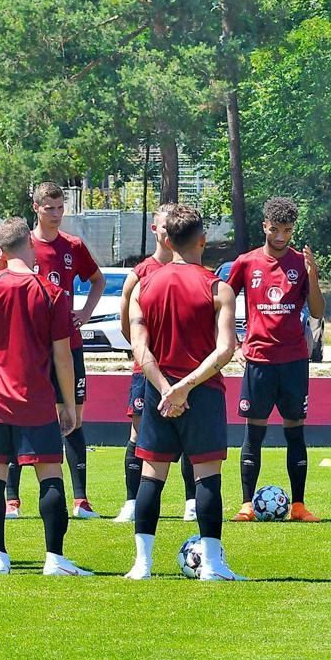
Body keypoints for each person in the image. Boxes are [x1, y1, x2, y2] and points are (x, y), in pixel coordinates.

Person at [124, 204, 243, 580]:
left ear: (166, 238)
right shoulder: (217, 286)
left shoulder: (145, 284)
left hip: (159, 393)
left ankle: (142, 564)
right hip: (202, 392)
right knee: (207, 478)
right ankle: (213, 565)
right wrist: (184, 387)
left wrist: (164, 388)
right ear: (202, 240)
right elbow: (225, 349)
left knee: (151, 477)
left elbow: (139, 347)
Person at [0, 217, 85, 575]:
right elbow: (62, 356)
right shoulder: (50, 293)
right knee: (50, 474)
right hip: (35, 398)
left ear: (0, 252)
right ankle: (54, 558)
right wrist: (68, 404)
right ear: (31, 247)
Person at [6, 182, 106, 519]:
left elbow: (97, 280)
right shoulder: (22, 245)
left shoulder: (73, 246)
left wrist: (85, 312)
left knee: (73, 418)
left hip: (69, 345)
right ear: (35, 208)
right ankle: (11, 498)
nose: (56, 214)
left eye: (60, 207)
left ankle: (80, 499)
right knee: (18, 418)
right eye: (49, 208)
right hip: (31, 350)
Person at [229, 197, 325, 522]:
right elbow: (223, 301)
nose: (281, 236)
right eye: (275, 229)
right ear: (264, 226)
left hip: (294, 361)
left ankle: (298, 505)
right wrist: (232, 338)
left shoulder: (301, 263)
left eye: (287, 230)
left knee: (295, 431)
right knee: (253, 432)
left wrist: (312, 274)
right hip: (258, 358)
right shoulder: (246, 262)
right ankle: (246, 505)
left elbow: (318, 311)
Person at [115, 203, 197, 524]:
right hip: (146, 370)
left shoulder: (191, 268)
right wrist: (144, 350)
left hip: (185, 369)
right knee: (140, 435)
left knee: (192, 435)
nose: (167, 232)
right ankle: (132, 502)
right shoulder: (141, 273)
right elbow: (128, 323)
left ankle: (191, 501)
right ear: (155, 230)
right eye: (163, 227)